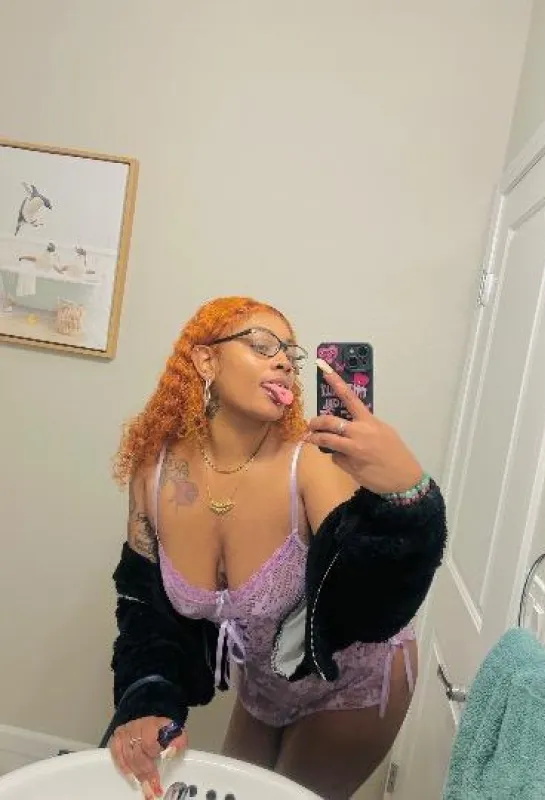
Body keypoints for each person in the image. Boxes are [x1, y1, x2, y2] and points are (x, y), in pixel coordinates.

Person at [109, 296, 446, 800]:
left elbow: (366, 598)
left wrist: (407, 497)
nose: (285, 361)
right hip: (266, 683)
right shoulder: (153, 473)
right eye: (263, 345)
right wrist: (147, 697)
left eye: (291, 353)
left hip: (353, 678)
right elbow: (145, 605)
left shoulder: (309, 465)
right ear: (205, 360)